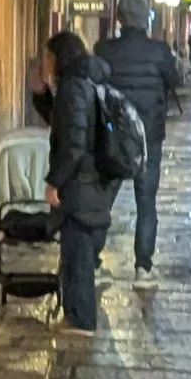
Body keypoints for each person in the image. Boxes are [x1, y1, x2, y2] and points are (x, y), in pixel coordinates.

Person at [93, 0, 181, 275]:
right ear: (146, 20)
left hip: (114, 136)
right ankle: (143, 266)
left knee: (103, 199)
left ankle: (92, 258)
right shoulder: (159, 51)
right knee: (146, 203)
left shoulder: (104, 50)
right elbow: (175, 80)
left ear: (119, 19)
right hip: (149, 135)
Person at [40, 23, 115, 331]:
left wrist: (54, 181)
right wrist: (42, 94)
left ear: (60, 56)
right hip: (94, 179)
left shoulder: (73, 87)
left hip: (81, 183)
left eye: (48, 57)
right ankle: (75, 313)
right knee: (78, 251)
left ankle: (81, 319)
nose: (45, 63)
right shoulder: (88, 81)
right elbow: (66, 123)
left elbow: (72, 143)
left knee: (79, 254)